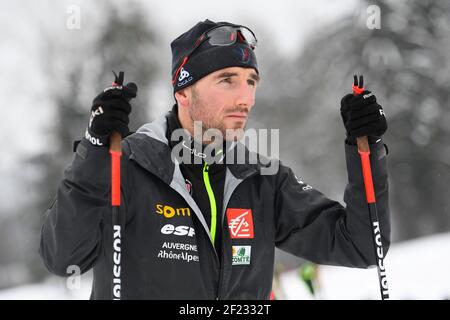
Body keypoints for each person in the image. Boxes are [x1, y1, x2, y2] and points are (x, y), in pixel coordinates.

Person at [39, 19, 390, 300]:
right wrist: (95, 151)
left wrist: (366, 149)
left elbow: (362, 246)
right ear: (183, 92)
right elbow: (64, 258)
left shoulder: (263, 179)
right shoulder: (127, 166)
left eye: (251, 82)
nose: (245, 98)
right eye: (227, 80)